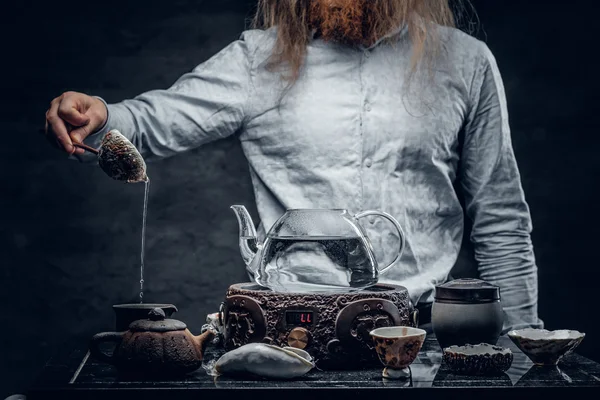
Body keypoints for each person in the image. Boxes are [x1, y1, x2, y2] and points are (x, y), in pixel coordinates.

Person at [43, 0, 543, 331]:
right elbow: (149, 123)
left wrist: (524, 342)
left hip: (429, 332)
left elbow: (499, 216)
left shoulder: (466, 61)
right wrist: (100, 115)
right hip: (295, 333)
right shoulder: (257, 59)